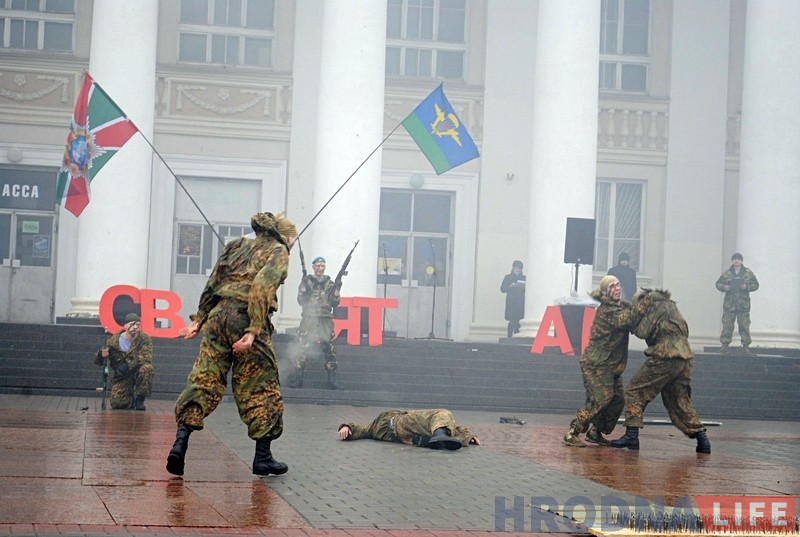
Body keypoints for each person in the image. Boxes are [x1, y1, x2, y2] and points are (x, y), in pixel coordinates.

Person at [166, 212, 297, 477]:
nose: (294, 243)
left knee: (204, 379)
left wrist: (199, 318)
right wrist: (252, 331)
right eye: (295, 238)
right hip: (246, 318)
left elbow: (214, 281)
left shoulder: (236, 245)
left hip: (217, 317)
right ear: (287, 236)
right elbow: (261, 287)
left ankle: (180, 443)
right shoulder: (279, 250)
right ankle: (263, 457)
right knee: (261, 385)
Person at [610, 288, 711, 453]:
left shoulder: (653, 304)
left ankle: (632, 435)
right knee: (679, 400)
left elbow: (642, 331)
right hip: (684, 358)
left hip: (665, 355)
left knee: (635, 390)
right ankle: (702, 439)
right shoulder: (671, 306)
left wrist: (631, 320)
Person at [563, 275, 639, 448]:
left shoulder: (621, 307)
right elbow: (627, 320)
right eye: (612, 287)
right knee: (600, 399)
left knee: (618, 399)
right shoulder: (607, 311)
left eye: (618, 284)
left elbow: (632, 317)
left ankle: (596, 431)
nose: (617, 289)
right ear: (605, 292)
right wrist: (643, 306)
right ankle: (573, 432)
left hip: (611, 365)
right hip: (596, 364)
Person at [288, 255, 342, 389]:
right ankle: (298, 379)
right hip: (309, 317)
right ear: (313, 267)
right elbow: (301, 301)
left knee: (329, 348)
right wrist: (303, 288)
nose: (320, 268)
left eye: (322, 265)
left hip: (325, 318)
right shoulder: (307, 281)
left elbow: (335, 303)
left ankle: (332, 380)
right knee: (302, 347)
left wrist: (337, 289)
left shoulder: (330, 283)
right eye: (317, 265)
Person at [337, 408, 480, 450]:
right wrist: (347, 426)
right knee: (442, 413)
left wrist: (347, 428)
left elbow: (362, 430)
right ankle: (440, 435)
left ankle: (432, 439)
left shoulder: (374, 428)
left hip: (407, 437)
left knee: (442, 423)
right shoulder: (381, 421)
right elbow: (361, 429)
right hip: (401, 422)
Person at [94, 313, 154, 411]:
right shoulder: (113, 342)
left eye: (138, 325)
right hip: (122, 376)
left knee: (147, 368)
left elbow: (146, 357)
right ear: (125, 326)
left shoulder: (144, 339)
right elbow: (98, 361)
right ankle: (130, 399)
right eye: (132, 324)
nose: (135, 327)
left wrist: (128, 365)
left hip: (137, 371)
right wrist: (101, 354)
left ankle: (140, 399)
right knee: (118, 404)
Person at [715, 252, 759, 354]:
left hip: (743, 304)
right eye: (735, 259)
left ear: (741, 261)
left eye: (738, 259)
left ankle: (745, 345)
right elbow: (718, 284)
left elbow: (756, 285)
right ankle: (725, 345)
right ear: (732, 261)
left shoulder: (748, 273)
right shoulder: (727, 273)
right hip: (730, 304)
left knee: (744, 325)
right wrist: (725, 287)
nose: (736, 261)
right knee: (727, 325)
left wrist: (746, 287)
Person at [500, 260, 526, 338]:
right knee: (511, 320)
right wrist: (510, 286)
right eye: (517, 268)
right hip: (511, 301)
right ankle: (509, 337)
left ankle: (517, 337)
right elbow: (502, 289)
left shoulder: (524, 278)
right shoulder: (508, 277)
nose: (518, 270)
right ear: (513, 268)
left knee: (518, 321)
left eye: (520, 268)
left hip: (520, 301)